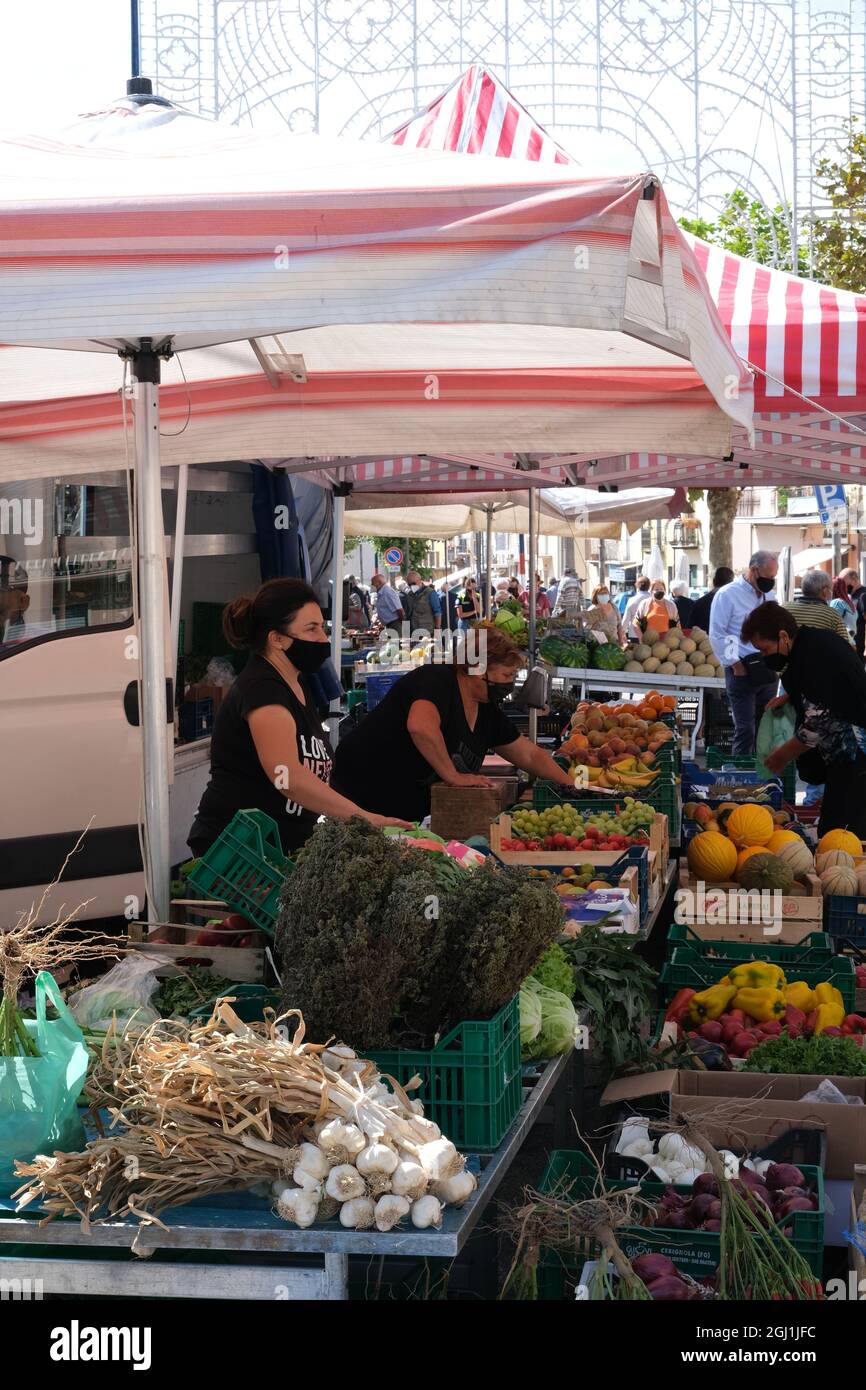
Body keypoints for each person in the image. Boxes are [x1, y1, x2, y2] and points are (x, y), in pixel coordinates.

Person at [189, 580, 409, 857]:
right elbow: (288, 778)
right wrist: (362, 818)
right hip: (238, 855)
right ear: (277, 639)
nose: (323, 638)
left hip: (281, 851)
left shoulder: (296, 684)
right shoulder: (262, 690)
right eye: (311, 629)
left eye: (322, 627)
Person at [330, 628, 579, 821]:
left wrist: (573, 788)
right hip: (363, 791)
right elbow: (420, 726)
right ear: (476, 668)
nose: (509, 684)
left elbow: (530, 755)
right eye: (505, 675)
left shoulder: (486, 710)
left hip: (404, 806)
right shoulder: (436, 680)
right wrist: (453, 776)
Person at [741, 603, 866, 837]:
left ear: (783, 636)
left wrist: (782, 755)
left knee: (841, 835)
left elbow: (819, 722)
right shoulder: (811, 644)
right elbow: (829, 689)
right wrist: (792, 697)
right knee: (837, 832)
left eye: (765, 650)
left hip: (856, 753)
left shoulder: (812, 654)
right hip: (847, 755)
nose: (764, 657)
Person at [709, 551, 779, 755]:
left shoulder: (770, 596)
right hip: (742, 669)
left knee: (765, 728)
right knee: (745, 729)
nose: (770, 582)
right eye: (768, 577)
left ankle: (762, 774)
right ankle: (740, 777)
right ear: (754, 570)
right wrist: (735, 664)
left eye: (774, 578)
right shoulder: (728, 594)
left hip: (766, 668)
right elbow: (719, 633)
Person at [783, 568, 853, 644]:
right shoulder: (832, 615)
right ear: (825, 591)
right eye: (831, 589)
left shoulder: (784, 609)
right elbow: (845, 645)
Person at [689, 566, 734, 634]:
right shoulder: (735, 604)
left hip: (702, 642)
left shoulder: (699, 603)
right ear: (731, 584)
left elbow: (690, 629)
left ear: (714, 581)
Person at [403, 570, 442, 635]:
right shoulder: (410, 595)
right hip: (413, 632)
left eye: (413, 583)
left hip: (428, 631)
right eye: (409, 584)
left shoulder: (430, 593)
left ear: (420, 581)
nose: (411, 586)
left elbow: (437, 612)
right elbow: (407, 614)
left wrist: (437, 630)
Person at [838, 568, 866, 656]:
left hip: (859, 646)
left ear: (854, 579)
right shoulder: (849, 595)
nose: (841, 585)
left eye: (843, 582)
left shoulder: (863, 595)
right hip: (849, 643)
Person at [623, 575, 651, 640]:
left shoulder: (632, 600)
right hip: (650, 635)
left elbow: (626, 619)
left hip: (634, 634)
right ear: (649, 586)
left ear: (636, 586)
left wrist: (622, 632)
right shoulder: (653, 599)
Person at [830, 574, 857, 638]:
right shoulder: (849, 602)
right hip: (850, 640)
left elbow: (832, 623)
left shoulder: (836, 602)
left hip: (839, 639)